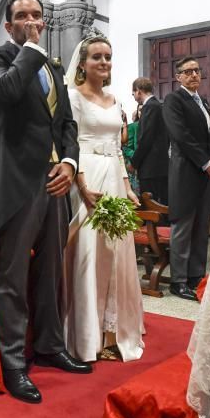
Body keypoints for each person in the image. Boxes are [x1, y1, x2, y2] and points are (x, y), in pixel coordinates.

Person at [0, 0, 91, 404]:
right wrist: (28, 49)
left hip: (53, 181)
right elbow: (9, 92)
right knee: (11, 273)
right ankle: (12, 362)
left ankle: (50, 344)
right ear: (9, 25)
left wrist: (68, 163)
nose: (31, 20)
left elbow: (65, 123)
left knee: (51, 268)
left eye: (37, 15)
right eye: (21, 16)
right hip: (15, 181)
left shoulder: (53, 67)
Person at [62, 36, 144, 363]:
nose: (104, 62)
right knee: (86, 251)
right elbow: (72, 143)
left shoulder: (115, 101)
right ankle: (84, 334)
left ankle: (112, 331)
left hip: (112, 176)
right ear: (82, 64)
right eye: (97, 57)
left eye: (108, 57)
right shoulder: (73, 97)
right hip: (86, 177)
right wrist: (81, 185)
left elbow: (117, 149)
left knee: (115, 251)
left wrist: (127, 187)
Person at [162, 56, 210, 301]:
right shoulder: (173, 100)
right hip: (186, 172)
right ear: (179, 77)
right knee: (183, 227)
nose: (194, 75)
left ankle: (196, 275)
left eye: (197, 70)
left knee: (200, 228)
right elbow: (181, 136)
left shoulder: (203, 102)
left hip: (206, 174)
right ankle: (178, 281)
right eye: (188, 72)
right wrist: (206, 162)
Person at [131, 77, 169, 205]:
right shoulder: (158, 105)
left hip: (151, 168)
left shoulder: (150, 107)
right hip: (159, 166)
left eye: (133, 94)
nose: (134, 97)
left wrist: (134, 162)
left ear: (138, 91)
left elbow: (145, 139)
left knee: (152, 206)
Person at [121, 103, 142, 195]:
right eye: (140, 110)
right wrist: (137, 156)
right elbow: (126, 147)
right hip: (136, 164)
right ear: (137, 112)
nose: (142, 112)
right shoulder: (133, 126)